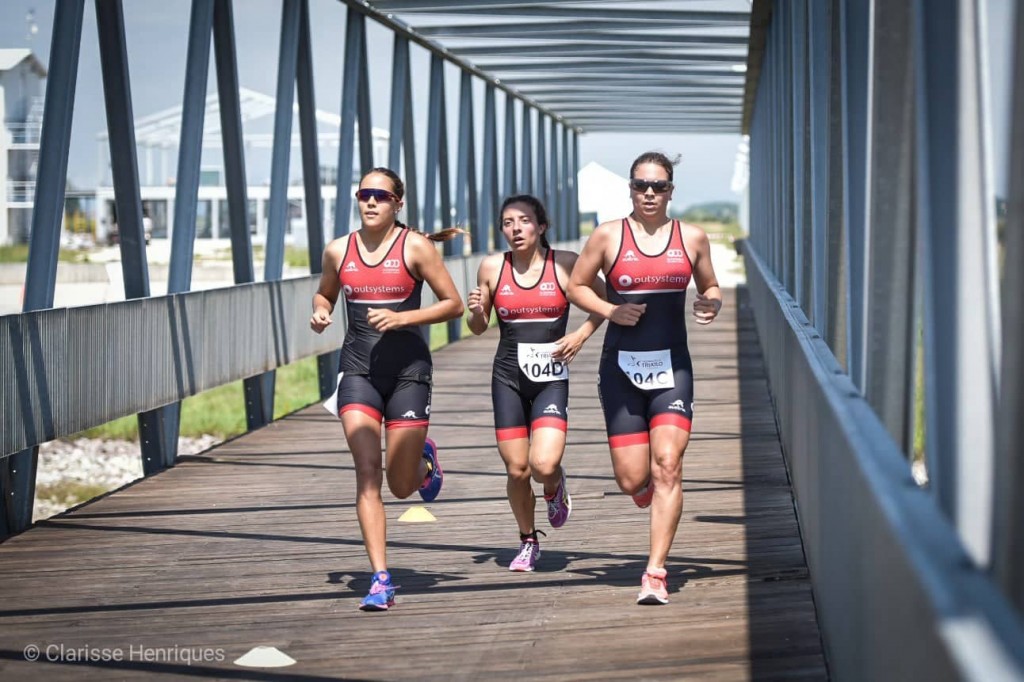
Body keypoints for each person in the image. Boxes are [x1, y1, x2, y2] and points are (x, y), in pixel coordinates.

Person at [567, 151, 723, 605]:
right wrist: (611, 310)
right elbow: (577, 285)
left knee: (668, 465)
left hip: (672, 368)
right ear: (630, 188)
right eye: (641, 185)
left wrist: (711, 303)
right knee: (632, 479)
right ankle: (644, 492)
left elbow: (710, 285)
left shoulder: (691, 238)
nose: (649, 194)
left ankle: (655, 571)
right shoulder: (608, 236)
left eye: (658, 186)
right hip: (621, 370)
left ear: (671, 191)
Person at [311, 167, 465, 611]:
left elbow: (452, 304)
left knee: (400, 485)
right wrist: (320, 312)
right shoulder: (339, 250)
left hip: (408, 373)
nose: (371, 201)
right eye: (364, 193)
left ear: (398, 202)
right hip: (358, 371)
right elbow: (325, 294)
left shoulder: (414, 247)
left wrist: (402, 319)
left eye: (381, 195)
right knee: (366, 473)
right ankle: (380, 578)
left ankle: (423, 464)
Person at [466, 195, 604, 572]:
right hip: (507, 375)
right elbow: (478, 328)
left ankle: (554, 485)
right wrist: (477, 312)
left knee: (543, 464)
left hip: (550, 376)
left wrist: (580, 335)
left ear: (541, 226)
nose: (515, 229)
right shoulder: (493, 268)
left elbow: (604, 301)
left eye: (523, 221)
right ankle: (528, 540)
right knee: (516, 470)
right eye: (507, 222)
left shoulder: (565, 264)